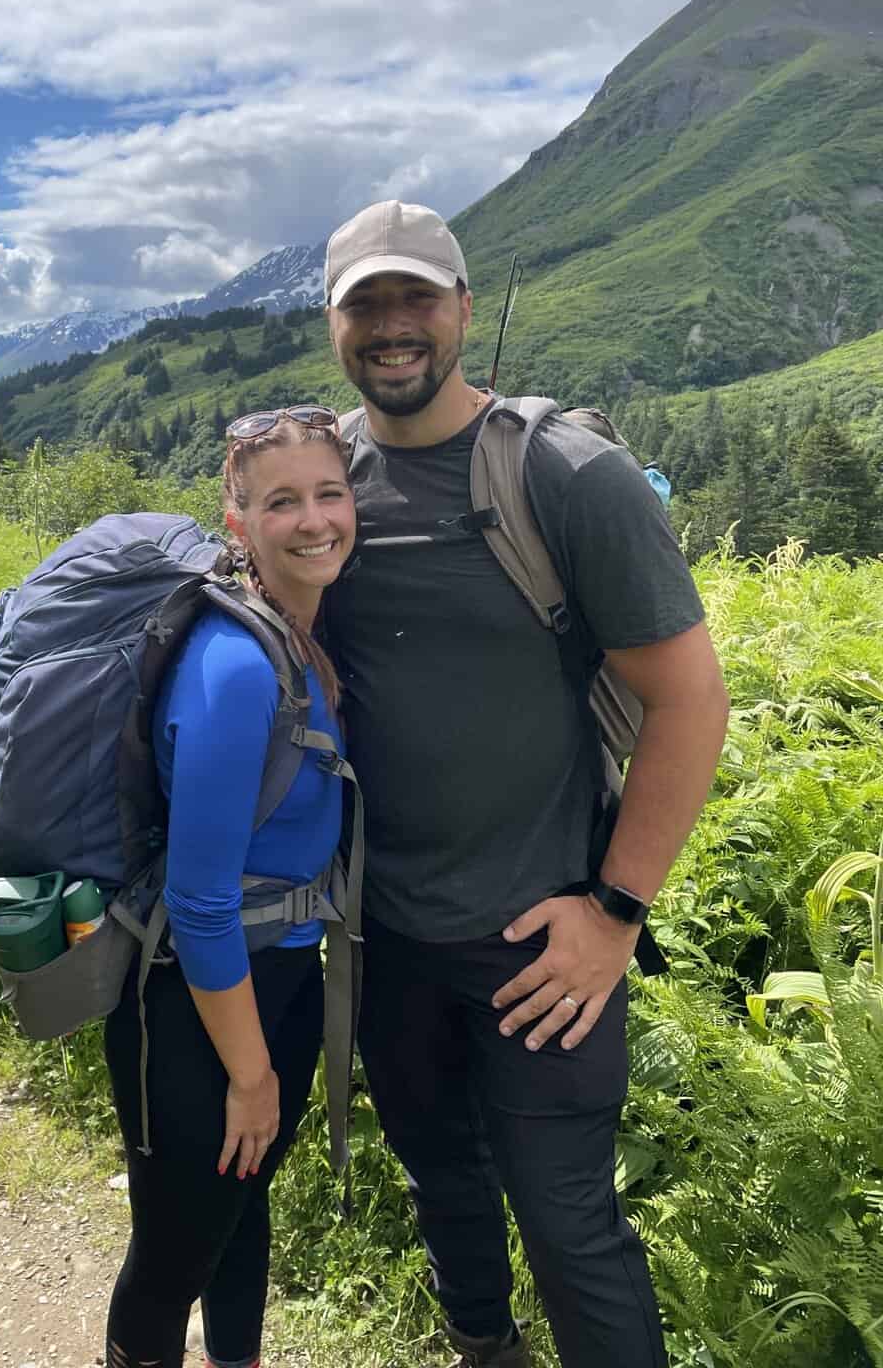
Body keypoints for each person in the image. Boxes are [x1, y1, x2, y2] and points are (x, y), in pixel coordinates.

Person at [320, 200, 730, 1368]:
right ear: (334, 325)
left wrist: (616, 914)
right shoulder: (322, 482)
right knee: (440, 1178)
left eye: (416, 297)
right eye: (365, 303)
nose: (392, 325)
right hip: (385, 935)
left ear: (461, 308)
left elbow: (691, 702)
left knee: (569, 1228)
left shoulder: (566, 474)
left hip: (541, 943)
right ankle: (481, 1349)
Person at [103, 406, 357, 1368]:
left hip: (278, 981)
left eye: (330, 493)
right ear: (238, 520)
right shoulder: (236, 665)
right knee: (171, 1261)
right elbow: (202, 898)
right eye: (282, 501)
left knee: (239, 1213)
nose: (314, 520)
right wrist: (250, 1078)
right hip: (196, 1006)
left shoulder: (301, 638)